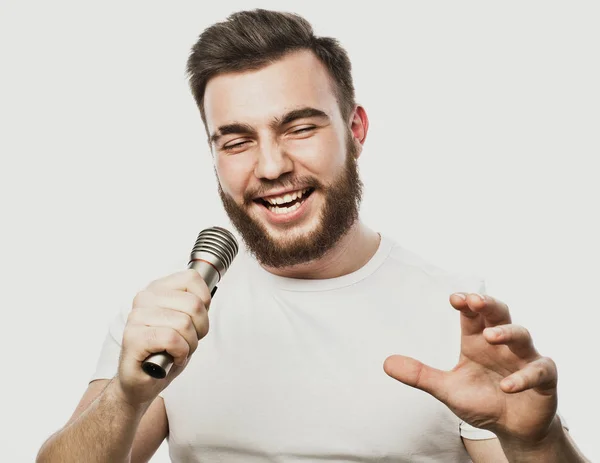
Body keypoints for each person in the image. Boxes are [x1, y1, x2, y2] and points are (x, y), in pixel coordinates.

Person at [37, 9, 589, 463]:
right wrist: (128, 394)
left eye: (299, 128)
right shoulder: (169, 317)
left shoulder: (454, 313)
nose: (271, 165)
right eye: (236, 141)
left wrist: (535, 441)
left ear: (355, 130)